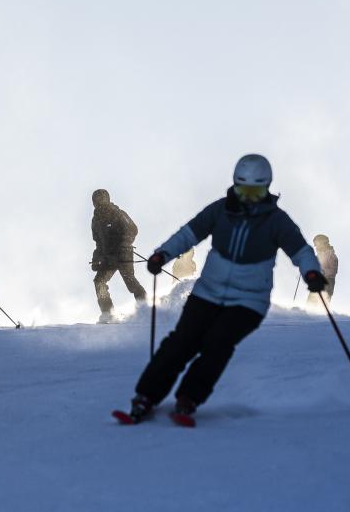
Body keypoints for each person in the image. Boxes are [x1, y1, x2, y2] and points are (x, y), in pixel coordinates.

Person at [120, 154, 326, 423]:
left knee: (218, 343)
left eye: (256, 192)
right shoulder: (220, 211)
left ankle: (188, 398)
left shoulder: (277, 221)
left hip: (249, 301)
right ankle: (146, 396)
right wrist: (163, 254)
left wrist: (312, 272)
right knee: (182, 341)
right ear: (235, 185)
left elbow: (300, 250)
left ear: (267, 188)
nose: (249, 198)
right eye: (243, 190)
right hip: (208, 292)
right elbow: (189, 233)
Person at [90, 189, 147, 323]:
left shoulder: (117, 213)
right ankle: (108, 313)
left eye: (101, 199)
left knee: (130, 281)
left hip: (123, 254)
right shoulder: (95, 220)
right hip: (108, 257)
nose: (98, 202)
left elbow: (132, 229)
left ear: (107, 198)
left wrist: (124, 244)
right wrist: (96, 258)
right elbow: (98, 242)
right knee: (99, 281)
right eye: (96, 200)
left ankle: (146, 308)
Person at [308, 234, 339, 303]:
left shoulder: (332, 256)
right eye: (315, 244)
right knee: (310, 304)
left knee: (321, 306)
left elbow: (333, 272)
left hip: (327, 284)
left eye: (317, 243)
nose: (315, 246)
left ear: (323, 243)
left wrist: (321, 271)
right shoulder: (317, 256)